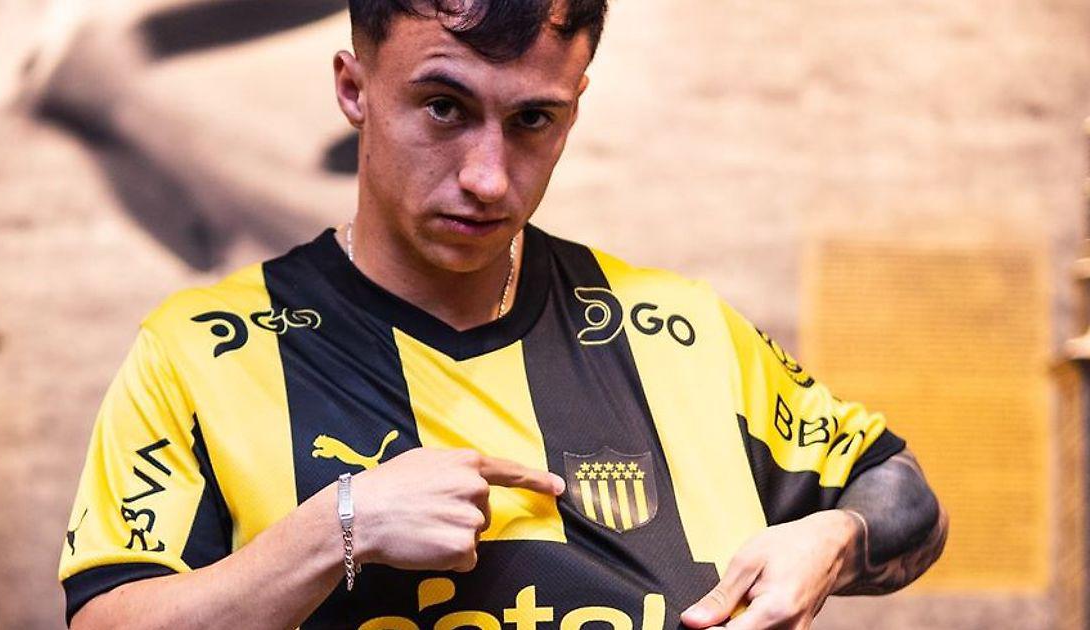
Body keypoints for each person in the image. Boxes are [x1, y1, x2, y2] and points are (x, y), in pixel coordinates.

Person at [58, 1, 948, 628]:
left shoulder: (682, 329)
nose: (488, 178)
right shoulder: (198, 350)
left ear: (575, 106)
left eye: (532, 121)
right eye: (444, 107)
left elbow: (901, 489)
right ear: (354, 89)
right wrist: (341, 528)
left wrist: (834, 539)